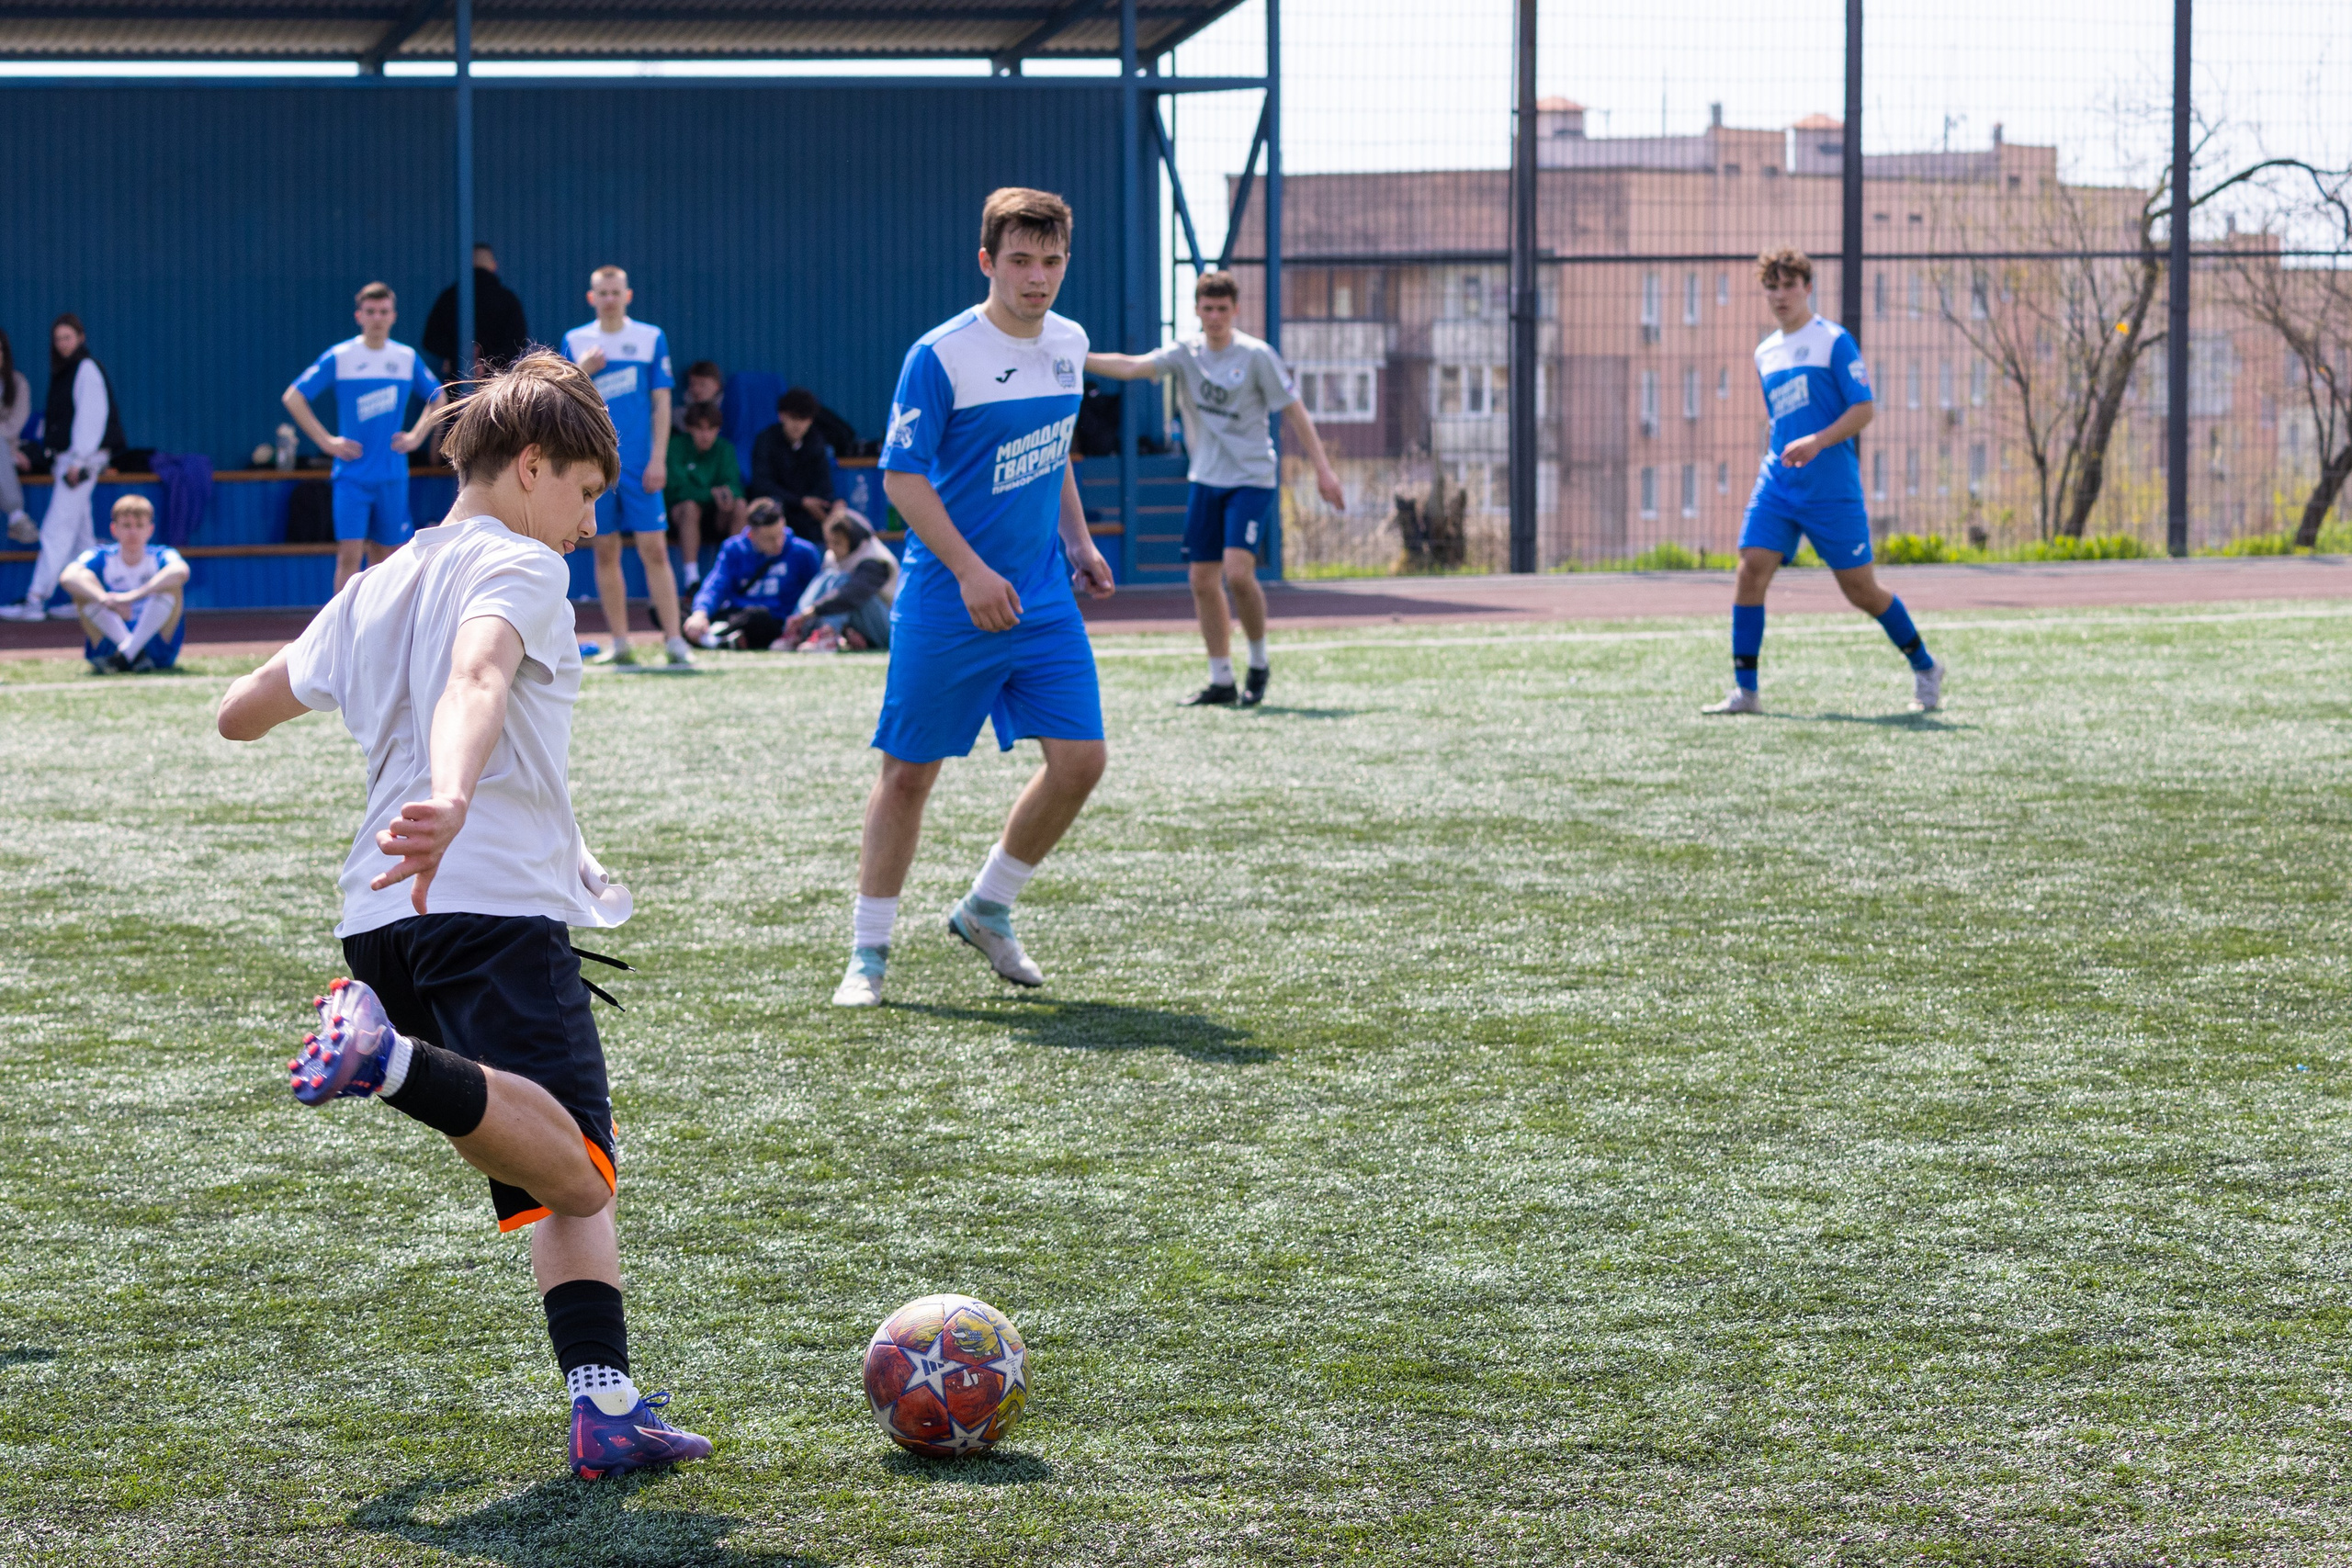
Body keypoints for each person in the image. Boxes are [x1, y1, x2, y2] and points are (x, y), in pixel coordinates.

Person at [213, 351, 713, 1483]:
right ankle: (387, 1060)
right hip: (479, 893)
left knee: (544, 1162)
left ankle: (607, 1405)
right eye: (587, 493)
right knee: (581, 1169)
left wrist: (331, 678)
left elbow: (241, 714)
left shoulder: (378, 581)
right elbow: (477, 677)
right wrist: (445, 793)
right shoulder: (521, 564)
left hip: (377, 915)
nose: (589, 524)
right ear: (532, 466)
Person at [833, 186, 1116, 1010]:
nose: (1038, 278)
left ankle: (987, 907)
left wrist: (1080, 541)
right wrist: (967, 570)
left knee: (1080, 761)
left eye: (1052, 261)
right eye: (1021, 261)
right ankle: (868, 954)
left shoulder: (1070, 342)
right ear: (988, 261)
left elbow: (1053, 449)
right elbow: (901, 478)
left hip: (1041, 597)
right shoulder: (942, 352)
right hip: (949, 598)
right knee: (908, 776)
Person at [1086, 269, 1343, 708]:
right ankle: (1221, 677)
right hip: (1206, 479)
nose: (1216, 317)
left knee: (1239, 572)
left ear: (1235, 310)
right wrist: (1077, 355)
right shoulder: (1186, 354)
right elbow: (1131, 367)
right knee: (1202, 580)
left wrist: (1324, 471)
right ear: (1197, 311)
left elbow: (1295, 412)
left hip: (1251, 479)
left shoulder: (1257, 355)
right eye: (1208, 309)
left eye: (1223, 309)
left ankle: (1259, 663)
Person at [1704, 247, 1944, 715]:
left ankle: (1925, 666)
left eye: (1789, 285)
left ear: (1808, 287)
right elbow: (1782, 421)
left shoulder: (1834, 341)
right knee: (1751, 567)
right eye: (1771, 286)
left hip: (1831, 489)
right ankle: (1746, 691)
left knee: (1861, 592)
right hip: (1778, 482)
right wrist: (1787, 450)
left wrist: (1817, 441)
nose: (1780, 295)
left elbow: (1864, 409)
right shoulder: (1765, 353)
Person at [283, 282, 447, 592]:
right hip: (352, 475)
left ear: (393, 316)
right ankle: (340, 632)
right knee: (349, 555)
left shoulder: (405, 357)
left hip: (391, 474)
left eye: (383, 312)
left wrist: (416, 436)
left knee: (387, 557)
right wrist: (326, 441)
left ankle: (377, 628)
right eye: (370, 312)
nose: (377, 318)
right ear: (359, 315)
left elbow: (439, 397)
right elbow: (293, 397)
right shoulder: (342, 356)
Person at [562, 266, 689, 667]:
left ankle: (674, 640)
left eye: (616, 292)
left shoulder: (650, 337)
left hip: (639, 465)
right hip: (594, 466)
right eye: (603, 292)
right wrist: (583, 369)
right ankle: (620, 642)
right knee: (605, 550)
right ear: (591, 297)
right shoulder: (576, 340)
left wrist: (658, 458)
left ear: (628, 295)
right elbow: (560, 399)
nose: (610, 299)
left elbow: (662, 403)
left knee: (654, 550)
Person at [1, 314, 126, 624]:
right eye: (58, 339)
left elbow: (91, 418)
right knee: (81, 538)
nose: (63, 344)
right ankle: (88, 599)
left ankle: (34, 599)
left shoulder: (86, 369)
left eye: (68, 337)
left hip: (79, 464)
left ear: (80, 337)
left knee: (56, 530)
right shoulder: (66, 372)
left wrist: (79, 461)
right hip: (68, 461)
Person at [62, 493, 187, 673]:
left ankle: (126, 654)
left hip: (155, 645)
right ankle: (133, 653)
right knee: (84, 586)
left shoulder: (161, 554)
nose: (133, 532)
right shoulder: (102, 555)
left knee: (172, 587)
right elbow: (68, 576)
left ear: (150, 530)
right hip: (112, 636)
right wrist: (106, 599)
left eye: (139, 526)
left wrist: (130, 597)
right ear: (114, 529)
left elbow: (180, 571)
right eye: (127, 526)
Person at [681, 497, 821, 650]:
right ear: (751, 535)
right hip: (737, 614)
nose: (778, 544)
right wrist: (700, 614)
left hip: (775, 620)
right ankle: (717, 637)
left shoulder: (803, 552)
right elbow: (716, 585)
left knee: (758, 618)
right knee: (680, 611)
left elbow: (817, 593)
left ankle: (711, 637)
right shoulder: (734, 549)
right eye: (769, 539)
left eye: (780, 535)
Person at [784, 511, 896, 653]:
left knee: (843, 581)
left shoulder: (875, 558)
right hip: (859, 623)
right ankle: (796, 631)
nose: (832, 548)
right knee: (827, 577)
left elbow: (850, 596)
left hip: (888, 628)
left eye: (837, 543)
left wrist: (811, 612)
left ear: (853, 539)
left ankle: (827, 634)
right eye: (828, 542)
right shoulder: (833, 556)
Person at [662, 400, 744, 592]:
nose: (706, 435)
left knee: (740, 506)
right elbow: (678, 489)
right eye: (700, 428)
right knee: (690, 506)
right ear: (690, 428)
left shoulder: (724, 448)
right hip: (681, 520)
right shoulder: (675, 446)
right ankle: (692, 579)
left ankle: (734, 576)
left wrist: (727, 496)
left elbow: (735, 485)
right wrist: (711, 494)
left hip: (717, 517)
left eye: (712, 429)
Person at [745, 387, 844, 543]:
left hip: (808, 516)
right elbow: (762, 484)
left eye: (803, 419)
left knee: (839, 510)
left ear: (811, 420)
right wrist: (801, 502)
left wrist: (828, 506)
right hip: (777, 511)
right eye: (793, 418)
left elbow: (824, 485)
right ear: (781, 416)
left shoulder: (816, 442)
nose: (798, 425)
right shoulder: (766, 440)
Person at [423, 243, 532, 381]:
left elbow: (430, 340)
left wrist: (459, 356)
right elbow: (519, 344)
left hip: (458, 381)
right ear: (493, 266)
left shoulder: (450, 297)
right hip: (497, 383)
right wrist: (487, 363)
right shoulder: (507, 299)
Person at [672, 360, 723, 434]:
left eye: (702, 384)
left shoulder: (728, 412)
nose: (696, 390)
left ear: (716, 386)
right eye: (693, 384)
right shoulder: (678, 415)